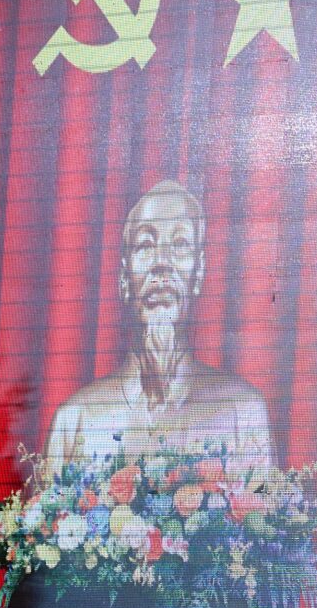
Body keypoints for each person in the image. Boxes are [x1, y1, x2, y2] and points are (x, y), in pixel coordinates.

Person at [43, 180, 273, 473]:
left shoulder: (244, 412)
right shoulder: (74, 419)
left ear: (199, 273)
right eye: (146, 245)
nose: (161, 263)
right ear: (124, 279)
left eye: (179, 244)